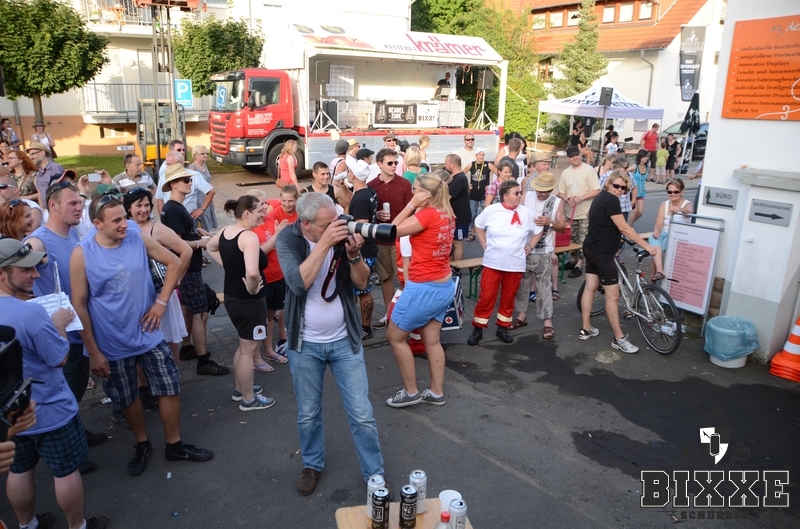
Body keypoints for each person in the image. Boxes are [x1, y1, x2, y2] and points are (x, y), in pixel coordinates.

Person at [71, 193, 214, 476]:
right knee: (127, 396)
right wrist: (93, 351)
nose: (124, 224)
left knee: (169, 385)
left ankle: (174, 445)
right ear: (97, 224)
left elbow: (174, 262)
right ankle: (142, 444)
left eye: (123, 218)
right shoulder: (82, 253)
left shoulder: (135, 236)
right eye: (116, 221)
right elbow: (79, 305)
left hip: (149, 334)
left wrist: (161, 303)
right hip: (112, 343)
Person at [275, 192, 386, 496]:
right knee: (308, 413)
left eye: (335, 221)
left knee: (362, 413)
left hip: (344, 340)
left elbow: (362, 283)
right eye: (326, 225)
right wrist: (325, 244)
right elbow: (298, 283)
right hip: (304, 343)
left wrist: (353, 256)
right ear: (306, 224)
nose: (335, 228)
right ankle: (312, 463)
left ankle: (375, 474)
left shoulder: (340, 235)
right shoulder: (289, 239)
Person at [0, 239, 111, 529]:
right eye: (26, 269)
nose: (36, 274)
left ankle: (27, 525)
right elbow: (59, 358)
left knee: (19, 469)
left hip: (10, 414)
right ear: (2, 273)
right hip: (50, 409)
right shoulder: (31, 313)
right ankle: (78, 526)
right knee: (66, 471)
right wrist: (59, 324)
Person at [24, 182, 109, 474]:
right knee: (66, 391)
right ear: (53, 205)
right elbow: (18, 266)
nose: (79, 208)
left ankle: (77, 432)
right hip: (62, 334)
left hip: (80, 328)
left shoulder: (72, 233)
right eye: (72, 203)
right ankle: (68, 452)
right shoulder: (39, 241)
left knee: (77, 387)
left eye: (79, 203)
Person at [383, 171, 455, 407]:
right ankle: (436, 392)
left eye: (415, 189)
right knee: (432, 341)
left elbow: (390, 230)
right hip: (443, 284)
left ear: (425, 193)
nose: (411, 192)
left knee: (395, 337)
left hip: (423, 286)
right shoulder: (447, 213)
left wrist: (411, 205)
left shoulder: (426, 214)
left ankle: (411, 392)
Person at [579, 170, 664, 353]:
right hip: (603, 254)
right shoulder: (611, 200)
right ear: (608, 184)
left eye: (623, 188)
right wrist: (647, 246)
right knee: (613, 296)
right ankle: (619, 338)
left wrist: (607, 230)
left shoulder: (600, 197)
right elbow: (625, 227)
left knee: (590, 288)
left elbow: (589, 215)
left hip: (591, 248)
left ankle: (586, 328)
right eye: (616, 185)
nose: (619, 190)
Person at [207, 196, 276, 411]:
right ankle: (248, 399)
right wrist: (253, 288)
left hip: (232, 297)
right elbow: (253, 273)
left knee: (244, 345)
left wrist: (229, 267)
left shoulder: (226, 231)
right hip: (249, 301)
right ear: (247, 213)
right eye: (258, 211)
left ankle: (241, 389)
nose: (262, 215)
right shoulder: (249, 237)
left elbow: (209, 246)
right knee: (249, 350)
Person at [160, 163, 229, 376]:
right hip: (188, 268)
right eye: (185, 180)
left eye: (190, 179)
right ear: (173, 184)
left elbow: (183, 232)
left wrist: (198, 232)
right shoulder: (173, 209)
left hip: (190, 267)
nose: (190, 183)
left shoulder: (176, 207)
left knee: (189, 309)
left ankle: (187, 347)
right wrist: (200, 243)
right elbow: (176, 244)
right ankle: (203, 360)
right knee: (201, 312)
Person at [468, 180, 542, 346]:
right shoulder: (492, 210)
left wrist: (531, 245)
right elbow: (478, 225)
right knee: (487, 296)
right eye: (516, 193)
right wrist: (483, 241)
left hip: (515, 264)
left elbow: (538, 230)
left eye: (520, 192)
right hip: (493, 262)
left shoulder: (527, 212)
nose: (520, 195)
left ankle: (503, 327)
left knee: (508, 297)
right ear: (505, 196)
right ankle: (478, 328)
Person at [123, 188, 192, 363]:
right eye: (139, 205)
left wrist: (177, 278)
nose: (144, 209)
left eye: (147, 205)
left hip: (160, 294)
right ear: (128, 208)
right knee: (141, 341)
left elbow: (186, 250)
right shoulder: (123, 228)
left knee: (167, 338)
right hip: (136, 295)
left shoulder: (157, 229)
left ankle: (172, 375)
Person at [512, 171, 565, 339]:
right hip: (523, 249)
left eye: (544, 191)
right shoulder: (527, 196)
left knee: (544, 287)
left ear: (551, 189)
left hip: (544, 250)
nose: (540, 194)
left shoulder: (557, 202)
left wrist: (550, 222)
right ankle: (522, 315)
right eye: (538, 190)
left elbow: (562, 227)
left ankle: (547, 321)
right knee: (522, 285)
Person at [369, 148, 413, 330]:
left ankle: (406, 315)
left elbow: (412, 211)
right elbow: (367, 213)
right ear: (379, 164)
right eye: (390, 163)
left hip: (401, 240)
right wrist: (376, 214)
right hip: (380, 239)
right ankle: (389, 315)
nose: (394, 166)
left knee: (405, 280)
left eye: (396, 162)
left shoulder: (404, 184)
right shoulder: (371, 185)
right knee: (385, 278)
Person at [251, 195, 290, 368]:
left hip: (278, 275)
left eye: (266, 202)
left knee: (269, 316)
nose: (265, 206)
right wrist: (277, 235)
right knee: (258, 318)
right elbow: (259, 253)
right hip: (262, 278)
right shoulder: (249, 228)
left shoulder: (271, 220)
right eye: (261, 203)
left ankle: (268, 350)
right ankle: (256, 356)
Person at [346, 159, 380, 341]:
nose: (347, 173)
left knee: (362, 290)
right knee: (362, 290)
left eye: (349, 171)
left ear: (353, 175)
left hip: (363, 250)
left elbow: (361, 228)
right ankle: (362, 326)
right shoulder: (369, 191)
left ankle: (364, 327)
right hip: (369, 248)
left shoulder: (360, 198)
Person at [556, 145, 601, 279]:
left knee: (583, 240)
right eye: (572, 156)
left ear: (581, 155)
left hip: (585, 213)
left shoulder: (589, 170)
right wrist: (567, 199)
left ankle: (579, 265)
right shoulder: (565, 173)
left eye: (577, 155)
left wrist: (581, 197)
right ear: (568, 158)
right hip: (570, 213)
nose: (575, 158)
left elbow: (597, 190)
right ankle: (572, 260)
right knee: (571, 239)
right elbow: (561, 192)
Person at [649, 178, 693, 279]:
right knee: (653, 238)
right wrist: (656, 231)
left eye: (676, 192)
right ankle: (659, 271)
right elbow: (659, 223)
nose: (673, 194)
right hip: (665, 232)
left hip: (679, 234)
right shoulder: (664, 204)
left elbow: (690, 213)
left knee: (654, 250)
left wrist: (681, 209)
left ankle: (652, 279)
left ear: (682, 191)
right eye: (670, 192)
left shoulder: (687, 204)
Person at [155, 152, 216, 222]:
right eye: (167, 164)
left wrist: (202, 209)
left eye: (170, 164)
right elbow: (160, 199)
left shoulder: (194, 175)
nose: (167, 167)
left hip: (189, 217)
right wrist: (163, 219)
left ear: (180, 163)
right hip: (171, 217)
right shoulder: (163, 177)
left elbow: (211, 191)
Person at [442, 154, 470, 263]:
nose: (444, 166)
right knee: (452, 243)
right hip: (455, 216)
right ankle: (451, 266)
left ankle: (457, 267)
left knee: (458, 243)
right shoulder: (455, 177)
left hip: (460, 217)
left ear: (452, 165)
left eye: (446, 163)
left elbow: (446, 197)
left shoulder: (459, 179)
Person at [186, 145, 219, 232]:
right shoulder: (192, 168)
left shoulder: (204, 165)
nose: (205, 155)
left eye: (207, 153)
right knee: (200, 225)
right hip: (198, 200)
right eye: (202, 153)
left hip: (207, 197)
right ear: (195, 155)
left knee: (207, 226)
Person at [25, 142, 63, 207]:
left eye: (33, 154)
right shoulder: (39, 173)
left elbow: (61, 189)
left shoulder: (54, 168)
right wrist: (42, 209)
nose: (30, 157)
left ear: (42, 153)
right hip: (46, 209)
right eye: (30, 155)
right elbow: (40, 194)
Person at [467, 148, 490, 241]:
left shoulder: (488, 164)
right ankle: (472, 234)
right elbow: (460, 173)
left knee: (486, 213)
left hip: (484, 193)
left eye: (482, 154)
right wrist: (467, 184)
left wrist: (491, 185)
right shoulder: (472, 164)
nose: (481, 156)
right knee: (473, 214)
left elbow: (499, 173)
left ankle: (486, 234)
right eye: (479, 154)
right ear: (476, 155)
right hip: (474, 193)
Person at [627, 150, 650, 228]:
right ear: (640, 157)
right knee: (635, 211)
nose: (645, 158)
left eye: (646, 157)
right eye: (644, 157)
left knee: (640, 212)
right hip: (634, 192)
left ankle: (629, 225)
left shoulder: (647, 166)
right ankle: (630, 227)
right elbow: (624, 171)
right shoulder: (635, 166)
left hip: (641, 192)